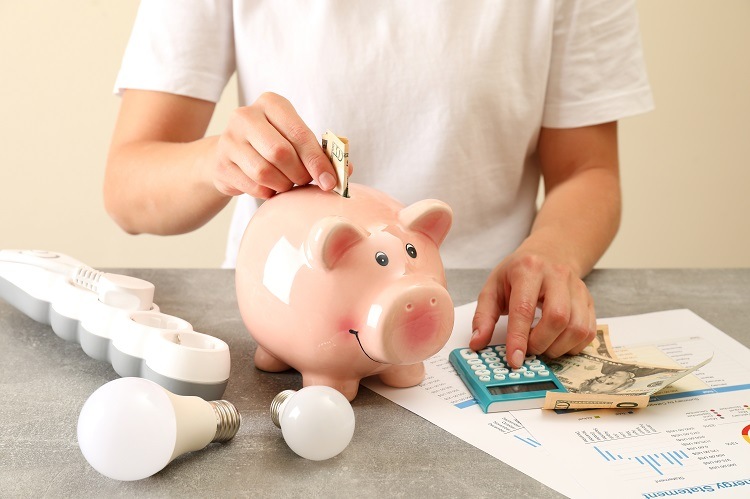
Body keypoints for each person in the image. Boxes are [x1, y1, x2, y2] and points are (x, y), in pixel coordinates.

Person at [104, 1, 653, 369]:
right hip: (286, 315)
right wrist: (217, 160)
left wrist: (550, 254)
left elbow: (588, 171)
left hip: (486, 322)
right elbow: (128, 187)